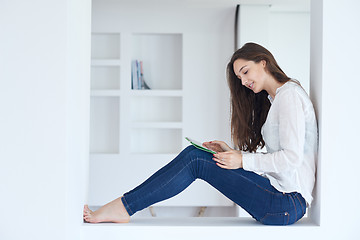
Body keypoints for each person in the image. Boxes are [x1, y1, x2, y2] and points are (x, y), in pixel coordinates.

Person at [83, 42, 318, 225]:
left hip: (287, 202)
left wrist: (242, 160)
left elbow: (292, 158)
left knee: (195, 159)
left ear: (263, 62)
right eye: (240, 78)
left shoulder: (289, 96)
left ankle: (123, 207)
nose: (244, 81)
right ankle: (124, 206)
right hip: (281, 198)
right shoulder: (276, 99)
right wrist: (234, 154)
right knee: (197, 155)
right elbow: (279, 159)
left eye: (245, 72)